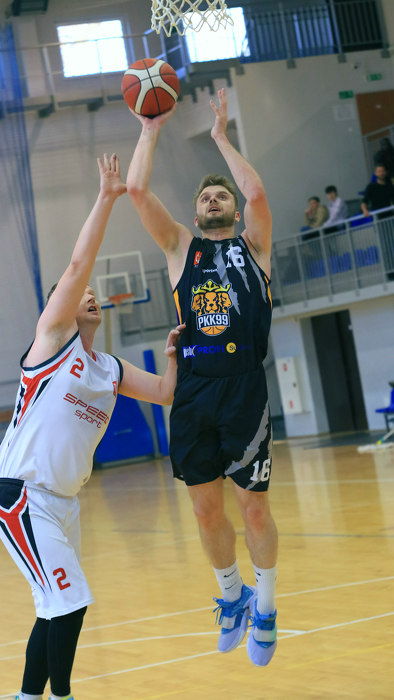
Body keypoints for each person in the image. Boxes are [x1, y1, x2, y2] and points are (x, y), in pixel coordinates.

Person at [0, 154, 183, 700]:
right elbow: (80, 261)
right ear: (59, 306)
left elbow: (165, 394)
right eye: (77, 291)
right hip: (22, 495)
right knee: (72, 601)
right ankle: (61, 696)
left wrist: (173, 356)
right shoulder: (50, 342)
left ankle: (28, 697)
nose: (89, 293)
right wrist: (106, 197)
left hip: (64, 503)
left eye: (90, 291)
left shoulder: (108, 369)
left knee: (54, 607)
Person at [126, 88, 278, 667]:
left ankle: (266, 607)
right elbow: (136, 191)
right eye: (205, 196)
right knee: (205, 511)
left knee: (254, 509)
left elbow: (257, 192)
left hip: (243, 388)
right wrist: (150, 129)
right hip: (194, 390)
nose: (214, 199)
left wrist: (220, 137)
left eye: (222, 195)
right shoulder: (179, 248)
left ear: (233, 210)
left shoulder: (254, 246)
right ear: (194, 215)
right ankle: (233, 596)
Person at [361, 164, 394, 280]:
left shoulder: (389, 186)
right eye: (379, 171)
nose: (381, 173)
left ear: (385, 172)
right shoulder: (371, 187)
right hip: (379, 220)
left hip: (389, 218)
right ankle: (389, 272)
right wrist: (365, 211)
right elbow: (364, 202)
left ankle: (392, 270)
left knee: (390, 245)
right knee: (384, 246)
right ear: (375, 173)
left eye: (382, 171)